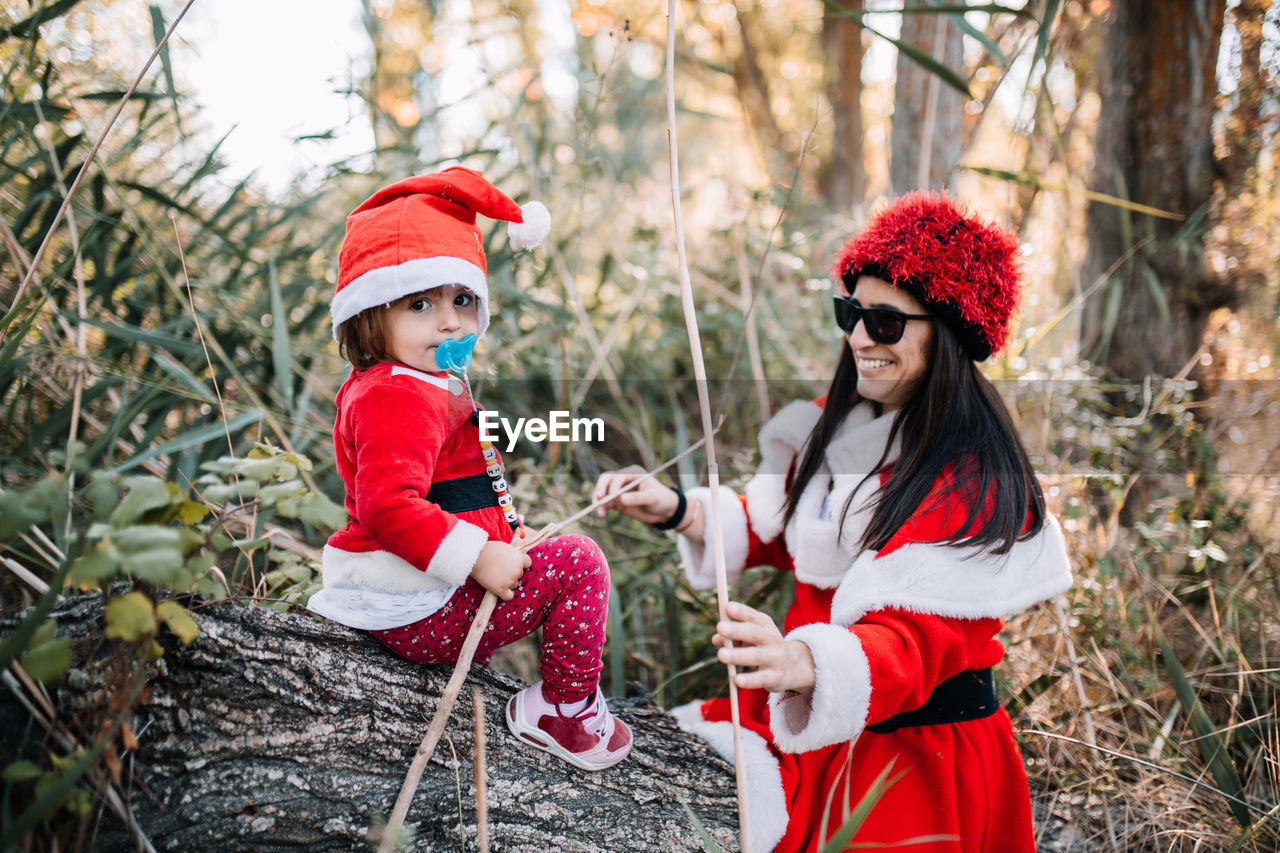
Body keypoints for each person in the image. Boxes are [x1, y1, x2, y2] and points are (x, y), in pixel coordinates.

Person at [595, 193, 1072, 850]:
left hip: (918, 757)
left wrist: (800, 658)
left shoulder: (973, 480)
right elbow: (784, 526)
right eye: (850, 313)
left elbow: (912, 642)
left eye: (883, 320)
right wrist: (679, 509)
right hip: (814, 716)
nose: (857, 338)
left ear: (950, 333)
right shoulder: (843, 422)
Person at [308, 167, 630, 771]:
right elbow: (388, 505)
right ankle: (564, 707)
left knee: (550, 554)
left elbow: (456, 478)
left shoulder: (420, 382)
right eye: (421, 304)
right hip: (416, 604)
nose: (450, 321)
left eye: (461, 300)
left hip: (422, 593)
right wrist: (478, 557)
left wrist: (503, 531)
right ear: (370, 315)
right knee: (579, 562)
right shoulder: (395, 394)